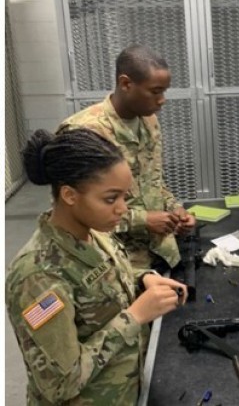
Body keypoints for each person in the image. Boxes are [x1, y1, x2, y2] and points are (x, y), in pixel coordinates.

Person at [6, 128, 188, 404]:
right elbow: (61, 384)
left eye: (125, 197)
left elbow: (107, 279)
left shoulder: (95, 233)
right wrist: (134, 317)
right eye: (110, 199)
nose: (123, 209)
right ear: (69, 195)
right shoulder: (38, 276)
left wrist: (144, 280)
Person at [57, 44, 196, 272]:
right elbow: (74, 212)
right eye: (155, 91)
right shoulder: (84, 132)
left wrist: (175, 211)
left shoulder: (148, 122)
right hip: (115, 265)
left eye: (164, 92)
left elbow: (153, 182)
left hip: (160, 252)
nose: (162, 100)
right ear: (126, 84)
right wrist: (143, 220)